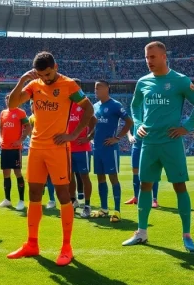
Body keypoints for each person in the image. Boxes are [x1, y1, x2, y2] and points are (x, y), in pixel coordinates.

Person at [6, 52, 94, 266]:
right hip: (35, 147)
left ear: (55, 66)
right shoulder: (34, 84)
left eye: (48, 73)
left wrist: (73, 135)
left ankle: (66, 247)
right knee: (34, 193)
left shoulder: (69, 85)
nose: (45, 78)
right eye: (41, 75)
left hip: (57, 148)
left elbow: (89, 109)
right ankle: (32, 243)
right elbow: (12, 105)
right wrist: (21, 81)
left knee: (64, 195)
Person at [122, 41, 194, 252]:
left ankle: (187, 235)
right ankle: (141, 232)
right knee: (144, 186)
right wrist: (139, 124)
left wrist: (186, 127)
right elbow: (135, 106)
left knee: (179, 186)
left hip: (171, 143)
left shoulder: (180, 80)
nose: (148, 61)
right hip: (149, 143)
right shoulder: (142, 82)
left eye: (153, 57)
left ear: (164, 56)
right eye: (146, 57)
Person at [91, 80, 133, 221]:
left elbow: (129, 121)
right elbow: (94, 126)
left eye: (99, 87)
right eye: (95, 88)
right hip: (97, 148)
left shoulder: (115, 105)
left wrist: (118, 138)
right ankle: (104, 208)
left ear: (107, 88)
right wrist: (89, 137)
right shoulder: (95, 106)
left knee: (113, 177)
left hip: (110, 149)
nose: (96, 90)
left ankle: (117, 211)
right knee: (100, 177)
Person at [0, 93, 30, 210]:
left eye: (10, 99)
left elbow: (28, 127)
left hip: (15, 149)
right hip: (4, 148)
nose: (8, 101)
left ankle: (21, 200)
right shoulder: (3, 113)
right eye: (6, 100)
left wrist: (20, 140)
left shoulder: (21, 113)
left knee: (17, 173)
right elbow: (0, 128)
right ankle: (7, 200)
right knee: (6, 174)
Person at [66, 80, 95, 211]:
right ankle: (73, 200)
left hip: (82, 148)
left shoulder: (84, 104)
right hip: (67, 147)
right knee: (69, 176)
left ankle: (87, 204)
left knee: (84, 176)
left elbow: (94, 121)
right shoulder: (65, 104)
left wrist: (88, 137)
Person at [125, 124, 160, 207]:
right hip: (137, 145)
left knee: (153, 170)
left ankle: (154, 199)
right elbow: (127, 124)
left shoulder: (152, 111)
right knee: (135, 171)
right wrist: (130, 136)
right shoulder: (135, 111)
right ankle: (136, 197)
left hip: (151, 145)